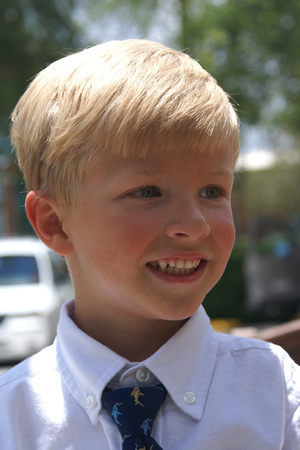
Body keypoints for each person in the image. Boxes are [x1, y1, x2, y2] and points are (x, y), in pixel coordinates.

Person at [0, 39, 299, 449]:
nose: (194, 226)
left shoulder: (278, 394)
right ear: (55, 223)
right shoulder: (12, 418)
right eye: (148, 192)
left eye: (213, 192)